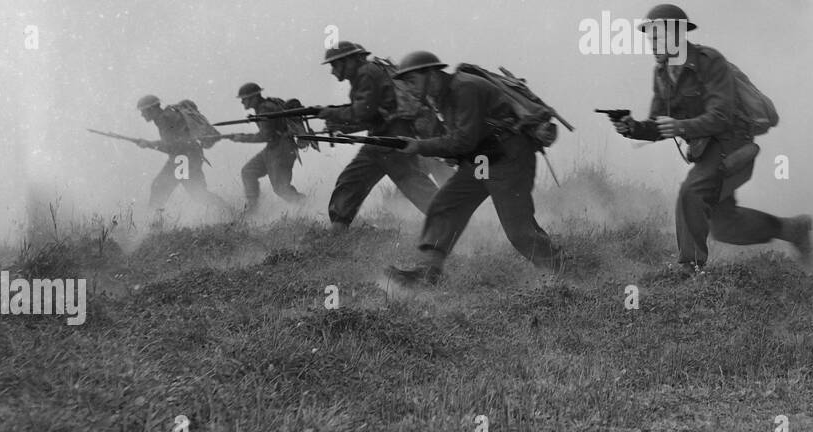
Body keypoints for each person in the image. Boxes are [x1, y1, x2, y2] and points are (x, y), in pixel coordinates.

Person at [612, 3, 813, 275]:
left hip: (734, 146)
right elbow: (659, 125)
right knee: (726, 226)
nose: (652, 43)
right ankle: (794, 230)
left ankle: (690, 267)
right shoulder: (662, 74)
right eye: (650, 38)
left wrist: (680, 125)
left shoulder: (709, 62)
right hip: (707, 151)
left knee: (691, 193)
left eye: (657, 37)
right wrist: (632, 127)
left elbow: (721, 116)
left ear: (676, 35)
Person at [384, 51, 561, 285]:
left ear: (432, 74)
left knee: (519, 231)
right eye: (406, 83)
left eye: (413, 80)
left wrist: (420, 146)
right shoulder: (443, 97)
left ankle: (562, 271)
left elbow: (463, 141)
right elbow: (463, 140)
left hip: (510, 159)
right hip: (482, 161)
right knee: (445, 205)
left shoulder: (464, 88)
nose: (410, 88)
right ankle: (428, 272)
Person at [318, 42, 442, 230]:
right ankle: (338, 227)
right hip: (383, 139)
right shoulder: (366, 74)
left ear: (350, 61)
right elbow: (371, 114)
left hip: (391, 140)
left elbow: (362, 112)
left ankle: (452, 220)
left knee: (414, 185)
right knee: (352, 181)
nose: (333, 71)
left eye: (335, 65)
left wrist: (330, 113)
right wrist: (338, 123)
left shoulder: (366, 73)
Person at [135, 94, 228, 216]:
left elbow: (172, 145)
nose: (142, 115)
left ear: (152, 109)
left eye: (143, 111)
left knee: (162, 188)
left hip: (183, 159)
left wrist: (149, 144)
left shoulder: (165, 119)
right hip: (188, 156)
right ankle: (228, 210)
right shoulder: (168, 115)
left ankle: (154, 223)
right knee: (196, 193)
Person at [221, 82, 308, 211]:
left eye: (244, 99)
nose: (242, 102)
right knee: (248, 171)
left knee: (281, 189)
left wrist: (241, 138)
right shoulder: (266, 105)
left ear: (254, 97)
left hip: (282, 149)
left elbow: (265, 136)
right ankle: (252, 209)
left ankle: (307, 204)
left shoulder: (265, 109)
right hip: (274, 148)